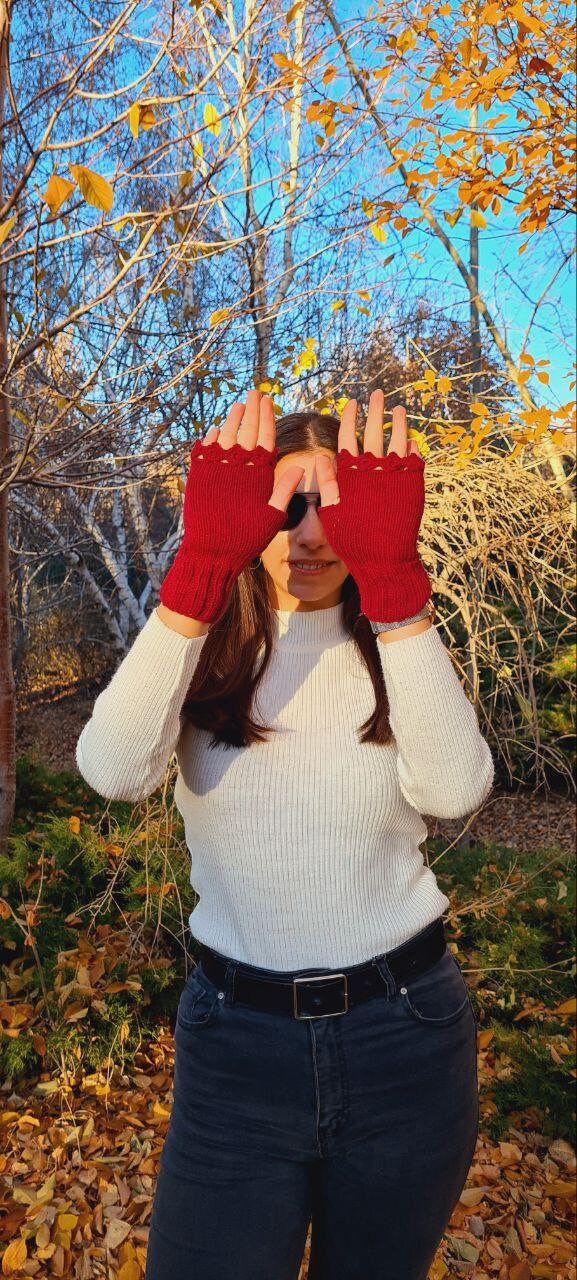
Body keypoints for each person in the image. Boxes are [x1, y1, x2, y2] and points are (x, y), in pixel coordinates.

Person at [76, 388, 494, 1280]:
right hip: (237, 1046)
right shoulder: (201, 650)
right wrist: (200, 567)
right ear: (241, 511)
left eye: (334, 507)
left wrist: (394, 582)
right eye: (285, 506)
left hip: (403, 1036)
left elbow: (457, 791)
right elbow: (113, 772)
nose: (309, 535)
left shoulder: (398, 640)